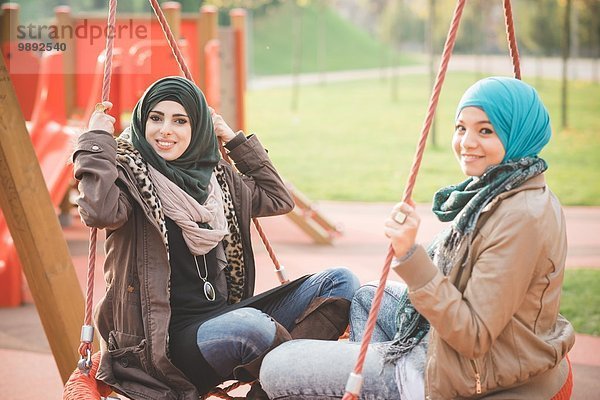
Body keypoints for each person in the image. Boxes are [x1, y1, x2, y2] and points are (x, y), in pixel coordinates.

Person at [259, 76, 575, 399]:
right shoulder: (508, 188)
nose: (466, 142)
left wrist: (410, 254)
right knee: (368, 297)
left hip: (462, 372)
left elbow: (473, 336)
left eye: (485, 130)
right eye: (460, 128)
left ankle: (393, 383)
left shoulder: (518, 218)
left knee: (277, 366)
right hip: (464, 351)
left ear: (518, 134)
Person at [73, 76, 360, 400]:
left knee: (341, 282)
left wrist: (234, 140)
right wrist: (96, 139)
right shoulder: (127, 180)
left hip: (224, 318)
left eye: (180, 120)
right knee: (252, 328)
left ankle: (270, 392)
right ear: (142, 122)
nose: (165, 129)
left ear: (198, 128)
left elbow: (278, 197)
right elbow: (98, 211)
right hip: (163, 345)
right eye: (156, 118)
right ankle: (301, 379)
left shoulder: (217, 181)